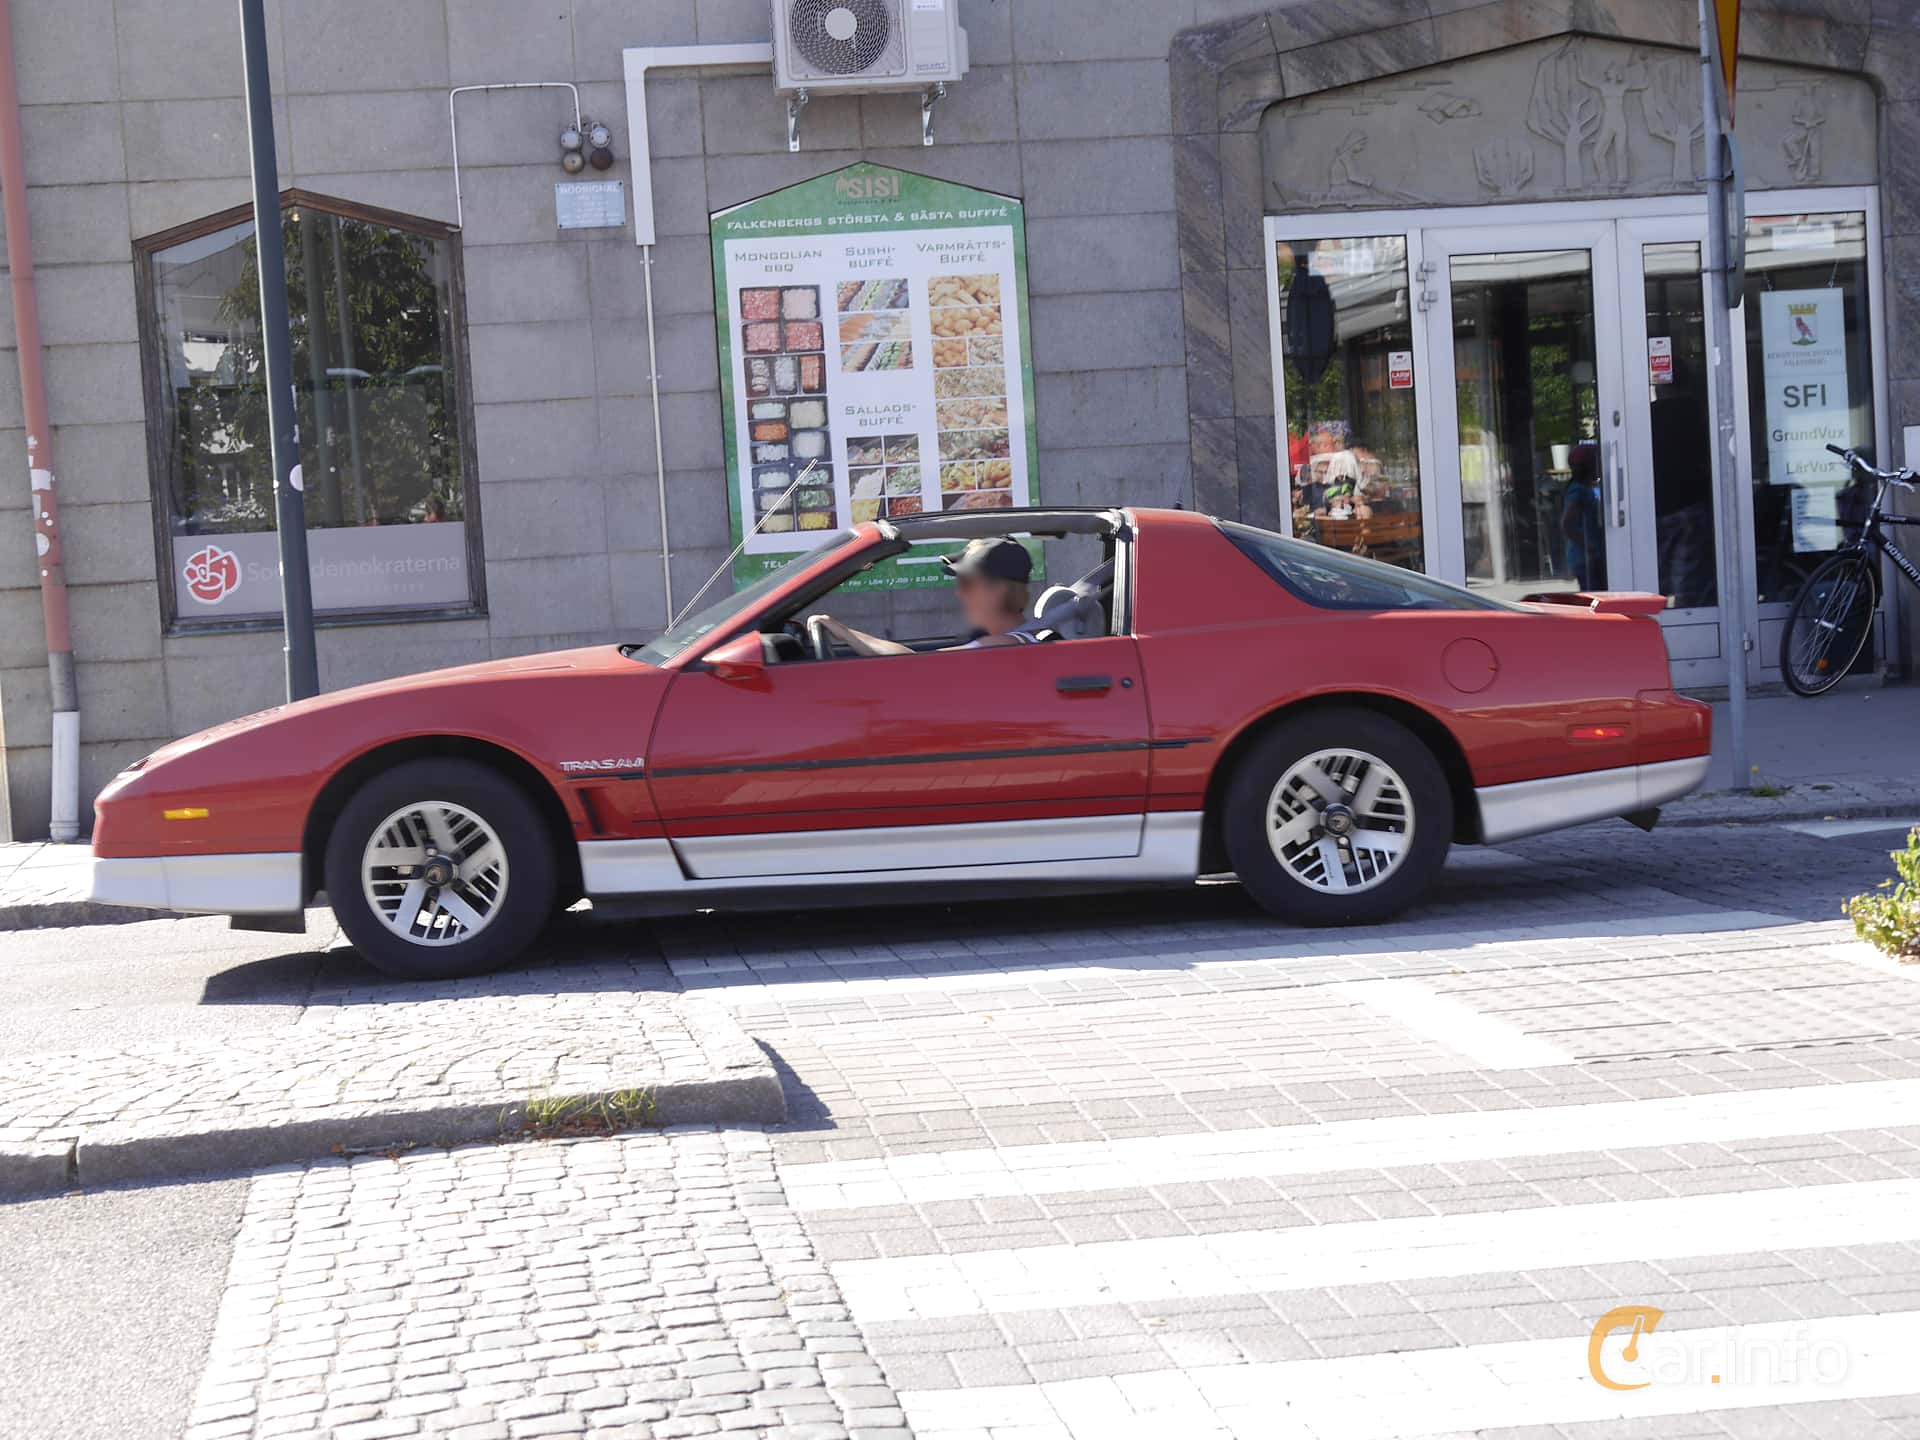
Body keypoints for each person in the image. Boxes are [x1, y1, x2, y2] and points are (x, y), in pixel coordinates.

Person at [811, 536, 1040, 657]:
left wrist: (846, 633)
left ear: (998, 590)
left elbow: (913, 666)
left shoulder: (999, 647)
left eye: (968, 584)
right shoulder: (1020, 640)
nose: (959, 593)